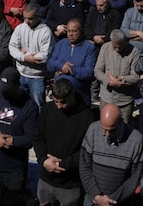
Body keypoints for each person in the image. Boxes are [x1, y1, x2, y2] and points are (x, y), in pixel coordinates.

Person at [0, 67, 40, 205]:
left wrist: (9, 141)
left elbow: (30, 139)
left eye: (8, 90)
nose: (4, 93)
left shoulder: (30, 107)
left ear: (17, 86)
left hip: (15, 169)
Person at [33, 77, 97, 206]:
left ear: (72, 96)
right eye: (56, 101)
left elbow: (86, 152)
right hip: (45, 179)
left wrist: (62, 164)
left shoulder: (87, 117)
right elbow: (38, 137)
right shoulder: (48, 109)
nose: (59, 106)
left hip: (70, 186)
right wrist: (43, 159)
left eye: (62, 102)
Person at [79, 104, 143, 206]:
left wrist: (111, 201)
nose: (107, 135)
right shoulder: (92, 130)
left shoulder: (136, 140)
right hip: (92, 200)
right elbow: (84, 166)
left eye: (112, 130)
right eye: (104, 129)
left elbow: (135, 177)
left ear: (121, 122)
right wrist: (96, 195)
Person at [9, 2, 53, 107]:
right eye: (25, 18)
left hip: (37, 77)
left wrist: (24, 55)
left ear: (37, 16)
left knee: (38, 106)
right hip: (20, 74)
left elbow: (44, 56)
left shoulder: (45, 31)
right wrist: (24, 57)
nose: (26, 21)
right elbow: (12, 47)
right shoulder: (20, 28)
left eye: (30, 18)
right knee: (20, 105)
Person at [47, 18, 98, 104]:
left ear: (81, 31)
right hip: (60, 97)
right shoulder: (61, 44)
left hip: (79, 97)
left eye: (74, 31)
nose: (71, 34)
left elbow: (90, 72)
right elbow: (50, 64)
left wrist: (70, 69)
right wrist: (61, 66)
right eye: (69, 31)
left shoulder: (89, 48)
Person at [95, 29, 141, 121]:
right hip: (107, 98)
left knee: (124, 128)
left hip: (125, 101)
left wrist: (120, 79)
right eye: (115, 47)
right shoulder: (105, 48)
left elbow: (135, 77)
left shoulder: (134, 51)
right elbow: (97, 71)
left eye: (120, 47)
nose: (117, 50)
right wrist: (110, 82)